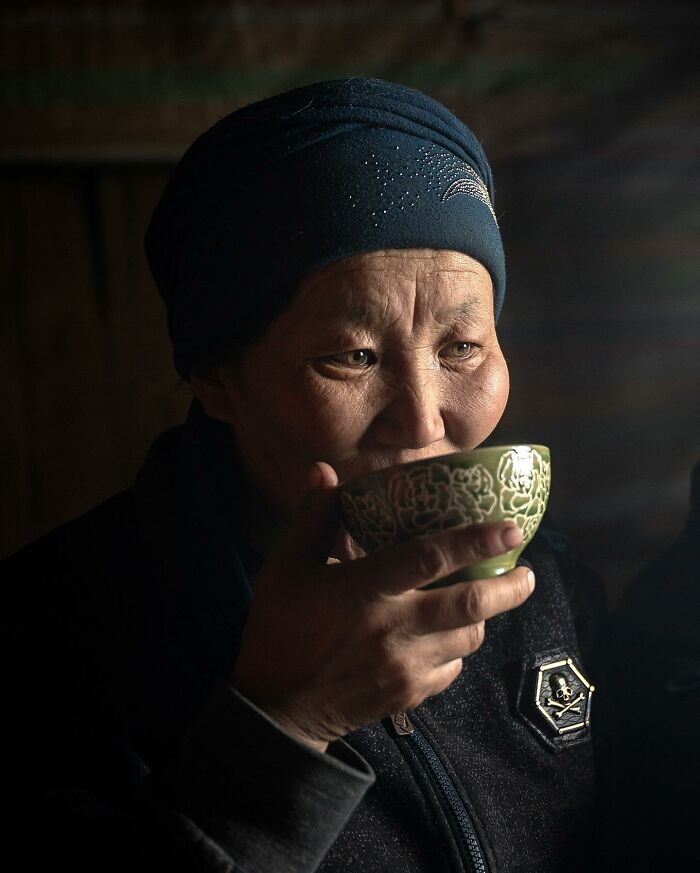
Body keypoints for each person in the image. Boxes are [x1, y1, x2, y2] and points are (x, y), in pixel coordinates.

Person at [2, 78, 605, 872]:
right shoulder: (47, 645)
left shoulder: (545, 587)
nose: (424, 421)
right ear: (218, 378)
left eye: (462, 348)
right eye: (352, 357)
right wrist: (284, 722)